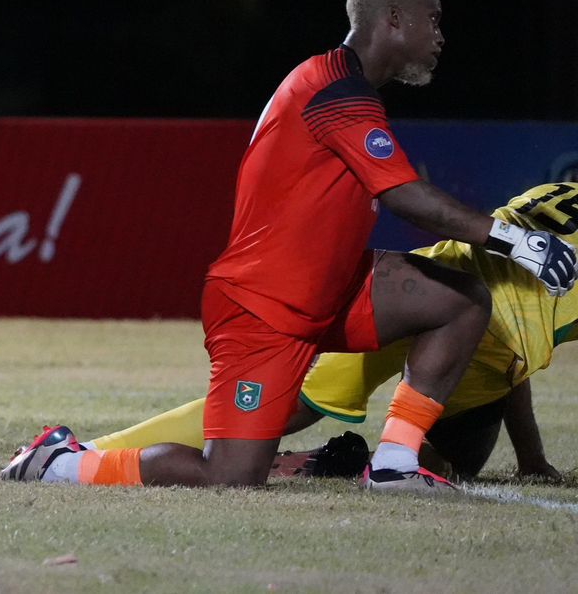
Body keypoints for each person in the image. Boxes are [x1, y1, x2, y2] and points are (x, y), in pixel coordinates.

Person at [1, 0, 576, 492]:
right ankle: (63, 463)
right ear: (393, 19)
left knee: (460, 297)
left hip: (337, 288)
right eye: (433, 20)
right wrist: (518, 240)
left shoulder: (347, 91)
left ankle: (396, 463)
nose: (440, 36)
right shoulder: (334, 91)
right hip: (264, 307)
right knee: (229, 477)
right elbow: (408, 198)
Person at [46, 180, 578, 483]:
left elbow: (521, 311)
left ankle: (331, 465)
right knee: (282, 405)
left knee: (454, 467)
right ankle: (78, 457)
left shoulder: (557, 189)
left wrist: (531, 459)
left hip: (444, 301)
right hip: (452, 315)